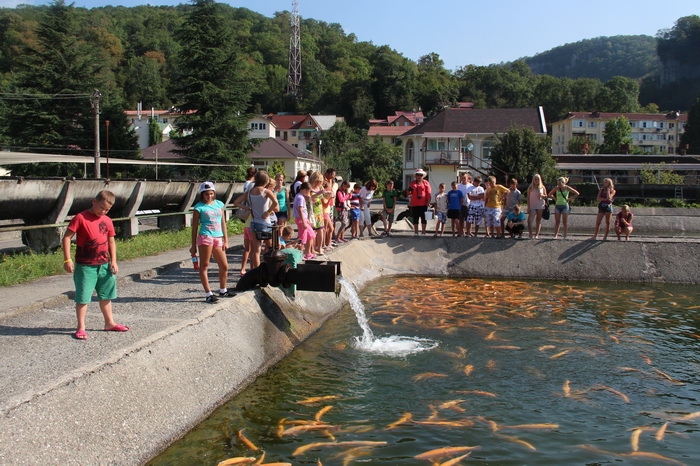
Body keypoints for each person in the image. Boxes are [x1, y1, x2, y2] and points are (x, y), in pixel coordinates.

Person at [62, 190, 129, 340]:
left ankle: (109, 323)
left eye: (107, 210)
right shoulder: (80, 218)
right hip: (85, 266)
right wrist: (67, 259)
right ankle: (81, 327)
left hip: (104, 265)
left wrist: (114, 261)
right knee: (83, 297)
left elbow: (111, 241)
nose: (103, 211)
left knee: (106, 295)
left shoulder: (107, 220)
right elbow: (67, 238)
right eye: (101, 208)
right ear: (94, 202)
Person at [191, 181, 236, 304]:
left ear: (214, 193)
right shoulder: (198, 207)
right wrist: (193, 246)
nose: (209, 196)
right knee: (204, 266)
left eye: (211, 193)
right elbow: (194, 227)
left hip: (218, 237)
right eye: (206, 194)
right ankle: (208, 293)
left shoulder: (219, 204)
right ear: (202, 194)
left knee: (224, 266)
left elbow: (223, 223)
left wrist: (226, 239)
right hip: (205, 236)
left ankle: (223, 289)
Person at [238, 166, 257, 276]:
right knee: (255, 250)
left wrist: (247, 208)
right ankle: (252, 270)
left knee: (247, 249)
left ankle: (243, 269)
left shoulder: (247, 187)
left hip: (246, 223)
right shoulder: (256, 192)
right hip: (253, 224)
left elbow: (238, 201)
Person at [293, 182, 317, 259]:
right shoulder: (300, 197)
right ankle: (300, 255)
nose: (308, 193)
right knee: (302, 238)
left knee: (311, 235)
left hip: (304, 219)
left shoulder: (300, 196)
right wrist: (304, 222)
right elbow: (300, 210)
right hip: (301, 220)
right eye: (308, 191)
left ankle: (308, 252)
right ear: (304, 189)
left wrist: (306, 221)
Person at [408, 169, 432, 236]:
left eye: (421, 175)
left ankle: (423, 232)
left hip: (424, 203)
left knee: (423, 218)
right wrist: (409, 191)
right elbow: (409, 193)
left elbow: (428, 193)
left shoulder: (426, 182)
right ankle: (416, 232)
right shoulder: (412, 183)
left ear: (423, 176)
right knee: (415, 217)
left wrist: (428, 201)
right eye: (418, 175)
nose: (419, 176)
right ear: (415, 176)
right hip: (415, 204)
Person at [526, 173, 547, 239]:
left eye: (538, 179)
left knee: (538, 220)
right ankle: (530, 234)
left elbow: (546, 196)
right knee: (529, 220)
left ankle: (537, 234)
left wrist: (542, 195)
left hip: (540, 205)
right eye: (535, 179)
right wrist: (528, 206)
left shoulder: (542, 187)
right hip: (532, 206)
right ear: (533, 180)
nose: (536, 180)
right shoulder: (530, 187)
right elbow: (528, 197)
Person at [324, 168, 338, 247]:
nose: (334, 176)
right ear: (328, 173)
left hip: (331, 204)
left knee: (331, 225)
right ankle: (325, 242)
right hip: (326, 205)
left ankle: (328, 241)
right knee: (326, 227)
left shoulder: (330, 181)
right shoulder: (324, 180)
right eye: (333, 175)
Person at [457, 173, 473, 237]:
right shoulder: (458, 186)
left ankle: (469, 232)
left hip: (468, 204)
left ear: (467, 178)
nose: (463, 179)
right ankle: (462, 232)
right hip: (461, 205)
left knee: (468, 220)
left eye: (464, 178)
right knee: (461, 220)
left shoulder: (470, 186)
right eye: (462, 178)